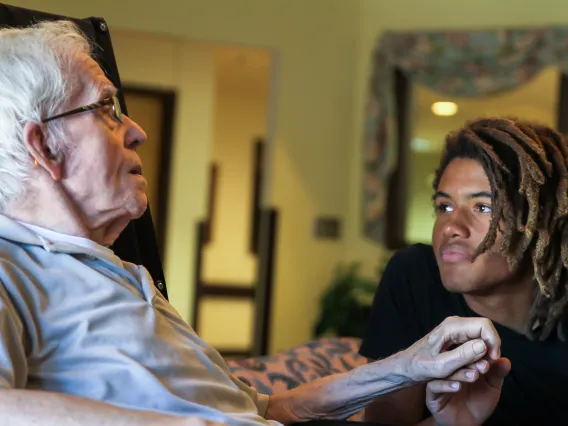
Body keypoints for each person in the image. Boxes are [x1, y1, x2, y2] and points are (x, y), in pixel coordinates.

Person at [0, 20, 507, 426]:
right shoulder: (12, 267)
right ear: (44, 147)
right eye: (106, 107)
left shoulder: (115, 272)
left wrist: (411, 365)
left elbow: (266, 409)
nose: (136, 131)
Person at [360, 116, 568, 426]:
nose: (451, 227)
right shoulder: (416, 277)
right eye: (444, 206)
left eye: (483, 207)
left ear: (538, 227)